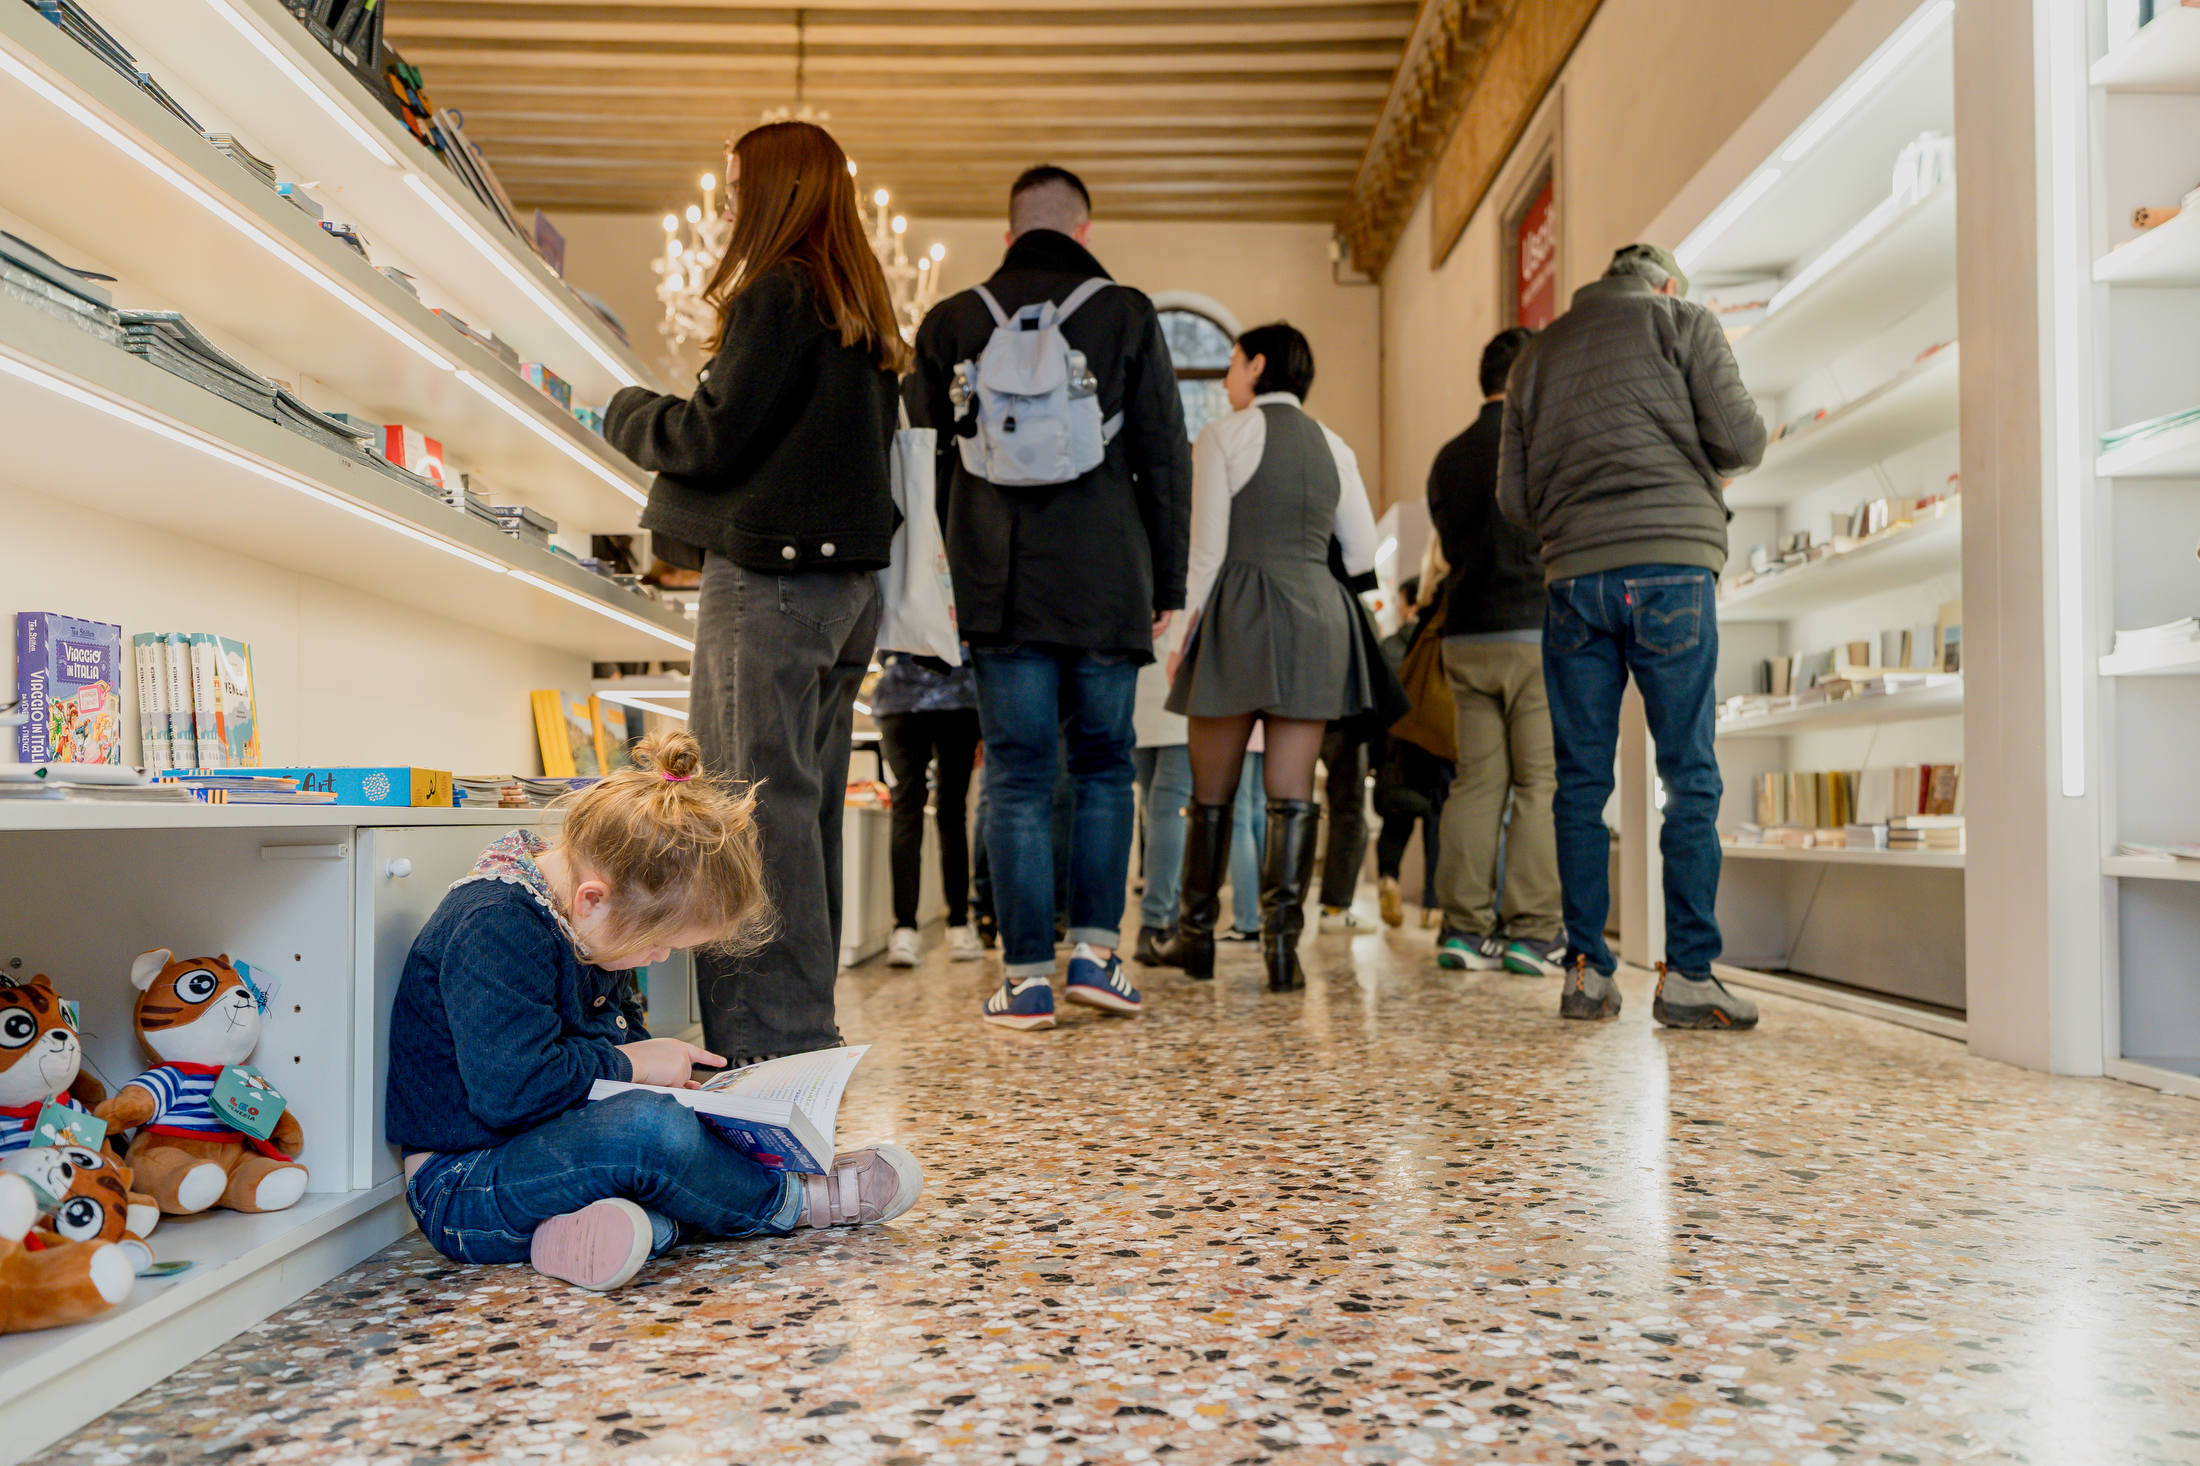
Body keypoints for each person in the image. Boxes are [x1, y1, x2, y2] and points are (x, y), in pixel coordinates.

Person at [384, 731, 924, 1293]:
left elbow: (614, 1043)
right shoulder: (495, 924)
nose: (658, 957)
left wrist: (681, 1091)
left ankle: (613, 1230)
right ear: (594, 899)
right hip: (465, 1186)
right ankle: (787, 1202)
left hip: (550, 1154)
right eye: (657, 943)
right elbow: (514, 1091)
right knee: (651, 1130)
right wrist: (634, 1065)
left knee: (673, 1124)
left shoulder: (591, 921)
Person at [604, 121, 903, 1063]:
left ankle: (764, 1046)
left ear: (776, 194)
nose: (730, 209)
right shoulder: (857, 310)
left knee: (740, 817)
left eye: (737, 191)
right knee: (798, 816)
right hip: (844, 589)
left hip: (771, 579)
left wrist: (624, 411)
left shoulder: (778, 291)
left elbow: (712, 434)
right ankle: (801, 1030)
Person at [911, 165, 1193, 1032]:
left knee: (1018, 775)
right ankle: (1097, 958)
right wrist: (1167, 582)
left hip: (996, 585)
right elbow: (1164, 454)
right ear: (1083, 230)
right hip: (1107, 579)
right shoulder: (1126, 313)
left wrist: (939, 583)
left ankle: (1026, 979)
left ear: (1009, 234)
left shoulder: (952, 320)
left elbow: (918, 463)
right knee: (1105, 767)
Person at [1498, 243, 1768, 1028]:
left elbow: (1514, 500)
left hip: (1573, 582)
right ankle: (1689, 977)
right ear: (1666, 284)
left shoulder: (1535, 356)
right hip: (1673, 569)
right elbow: (1743, 441)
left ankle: (1585, 972)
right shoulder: (1683, 322)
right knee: (1689, 774)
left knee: (1580, 784)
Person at [1165, 322, 1380, 991]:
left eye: (1232, 363)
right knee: (1292, 793)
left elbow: (1207, 553)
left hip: (1239, 613)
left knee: (1212, 793)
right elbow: (1362, 551)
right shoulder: (1335, 446)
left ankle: (1196, 941)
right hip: (1316, 619)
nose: (1227, 377)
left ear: (1257, 366)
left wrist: (1181, 640)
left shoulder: (1222, 436)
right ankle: (1283, 953)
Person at [1429, 326, 1566, 977]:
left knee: (1476, 783)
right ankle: (1533, 934)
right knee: (1538, 782)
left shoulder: (1449, 456)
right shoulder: (1538, 445)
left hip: (1465, 635)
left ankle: (1464, 928)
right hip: (1533, 631)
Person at [1133, 622, 1267, 966]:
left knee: (1155, 811)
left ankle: (1165, 919)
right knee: (1172, 811)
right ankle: (1158, 923)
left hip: (1140, 684)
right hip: (1182, 683)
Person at [872, 654, 983, 968]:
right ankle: (958, 926)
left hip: (902, 696)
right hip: (957, 695)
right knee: (952, 814)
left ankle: (905, 930)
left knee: (907, 813)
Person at [1373, 577, 1452, 929]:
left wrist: (1376, 757)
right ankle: (1432, 904)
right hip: (1436, 739)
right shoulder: (1441, 639)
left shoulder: (1390, 646)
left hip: (1399, 743)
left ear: (1409, 604)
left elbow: (1378, 704)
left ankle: (1389, 876)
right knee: (1437, 817)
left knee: (1397, 814)